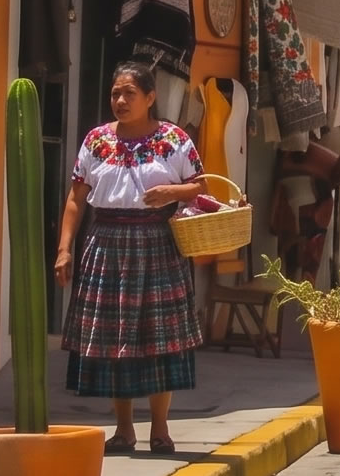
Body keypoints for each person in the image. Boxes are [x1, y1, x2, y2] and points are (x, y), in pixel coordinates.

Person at [56, 61, 209, 454]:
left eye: (129, 93)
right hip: (105, 245)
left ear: (151, 97)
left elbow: (201, 188)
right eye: (115, 94)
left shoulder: (174, 140)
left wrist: (170, 194)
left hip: (158, 245)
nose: (120, 101)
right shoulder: (95, 141)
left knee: (160, 340)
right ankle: (124, 429)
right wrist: (64, 248)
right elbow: (76, 198)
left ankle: (160, 430)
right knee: (114, 341)